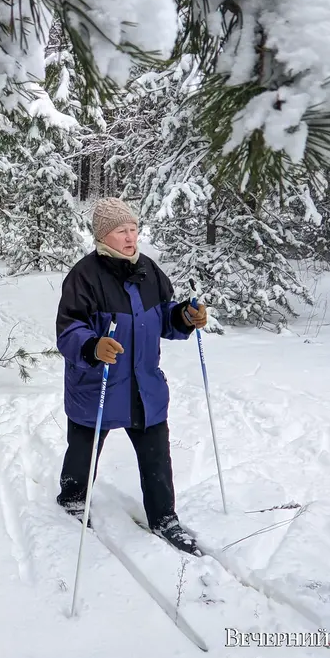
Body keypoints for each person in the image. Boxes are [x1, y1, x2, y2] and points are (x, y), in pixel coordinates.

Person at [54, 196, 207, 555]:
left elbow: (164, 315)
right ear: (104, 236)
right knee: (84, 450)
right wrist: (93, 347)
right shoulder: (84, 276)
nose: (130, 237)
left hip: (144, 386)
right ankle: (74, 498)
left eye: (134, 229)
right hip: (98, 385)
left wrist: (184, 316)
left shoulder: (149, 270)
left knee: (156, 455)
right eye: (121, 230)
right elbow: (68, 329)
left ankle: (164, 517)